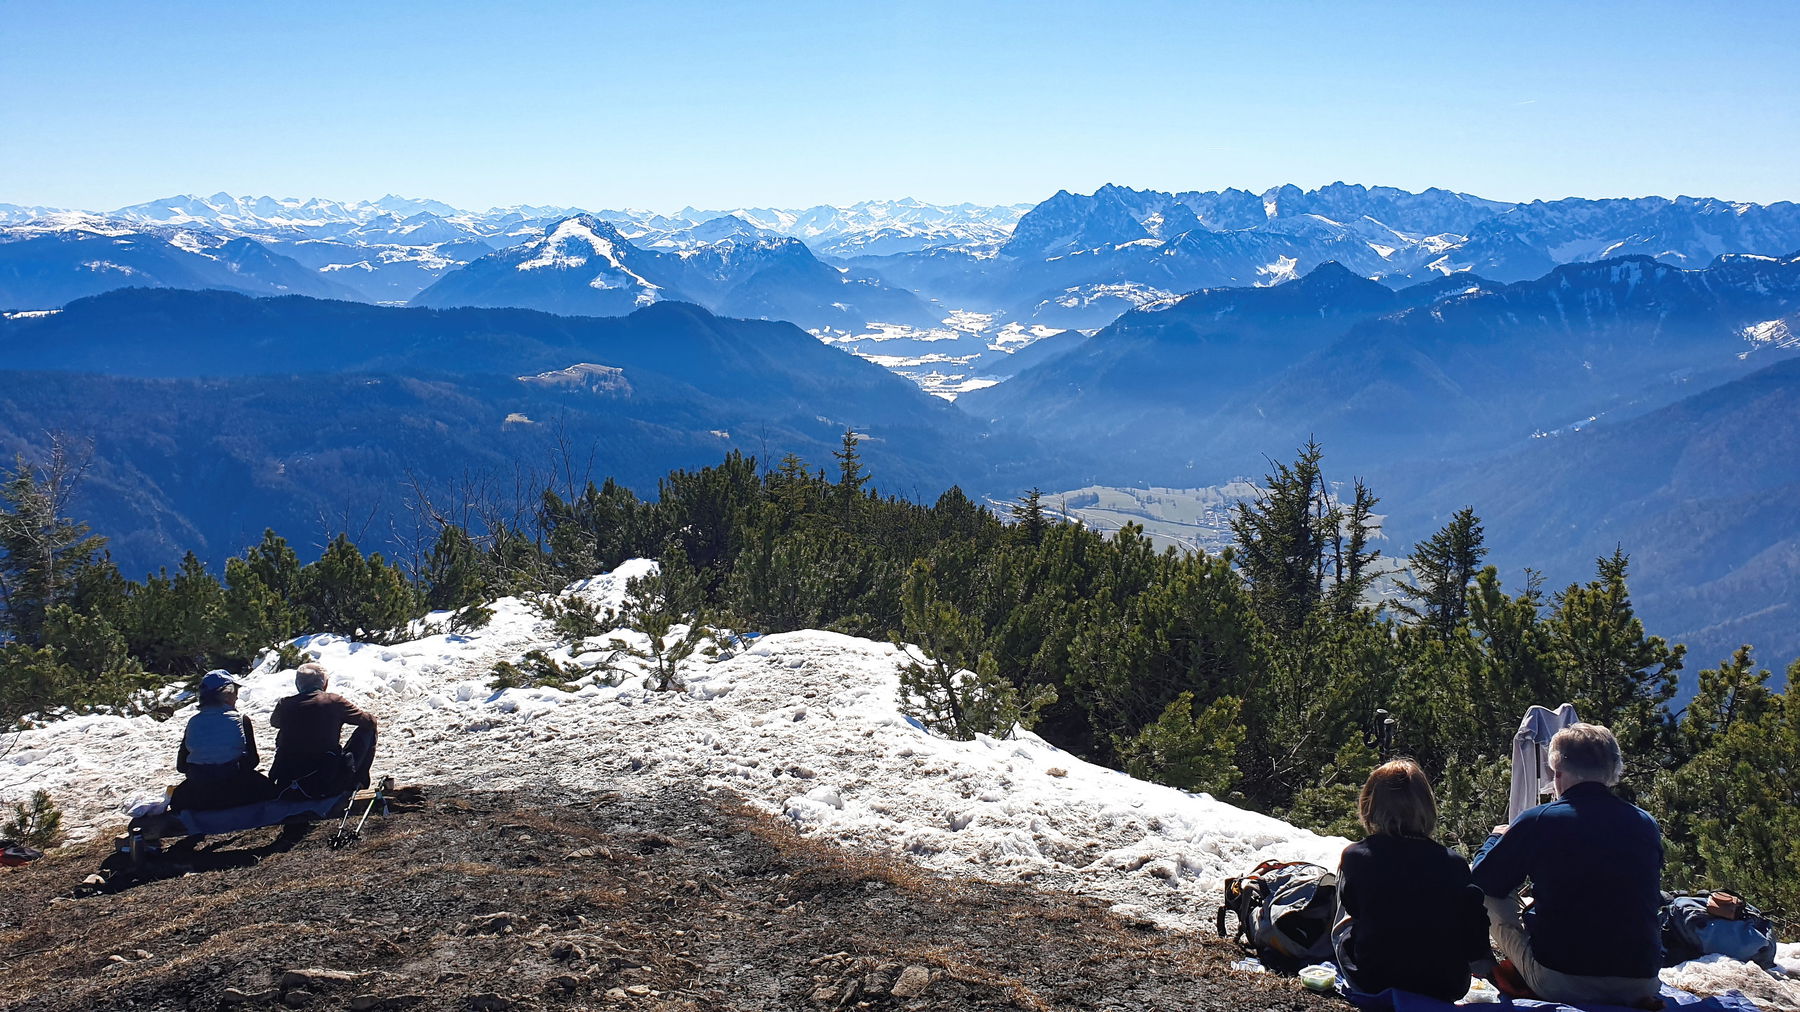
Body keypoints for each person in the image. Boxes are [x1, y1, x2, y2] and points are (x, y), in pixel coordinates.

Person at [1471, 723, 1664, 1006]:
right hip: (1642, 982)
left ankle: (1483, 965)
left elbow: (1482, 880)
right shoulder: (1646, 823)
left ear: (1557, 771)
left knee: (1488, 895)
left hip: (1563, 982)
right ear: (1612, 772)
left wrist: (1495, 840)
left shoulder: (1540, 819)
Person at [1332, 759, 1492, 1001]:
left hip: (1373, 978)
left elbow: (1353, 907)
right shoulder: (1454, 863)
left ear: (1370, 805)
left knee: (1346, 922)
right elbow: (1473, 936)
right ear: (1426, 806)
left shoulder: (1355, 856)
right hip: (1446, 985)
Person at [170, 670, 276, 811]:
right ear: (227, 694)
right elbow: (252, 761)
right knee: (271, 790)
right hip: (236, 791)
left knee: (178, 798)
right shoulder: (241, 720)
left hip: (200, 794)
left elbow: (181, 766)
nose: (237, 697)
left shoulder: (193, 722)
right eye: (235, 693)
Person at [269, 662, 378, 797]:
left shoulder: (285, 704)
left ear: (298, 684)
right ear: (324, 683)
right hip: (324, 783)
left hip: (287, 783)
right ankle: (357, 782)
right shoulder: (332, 701)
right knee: (368, 730)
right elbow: (369, 721)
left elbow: (275, 722)